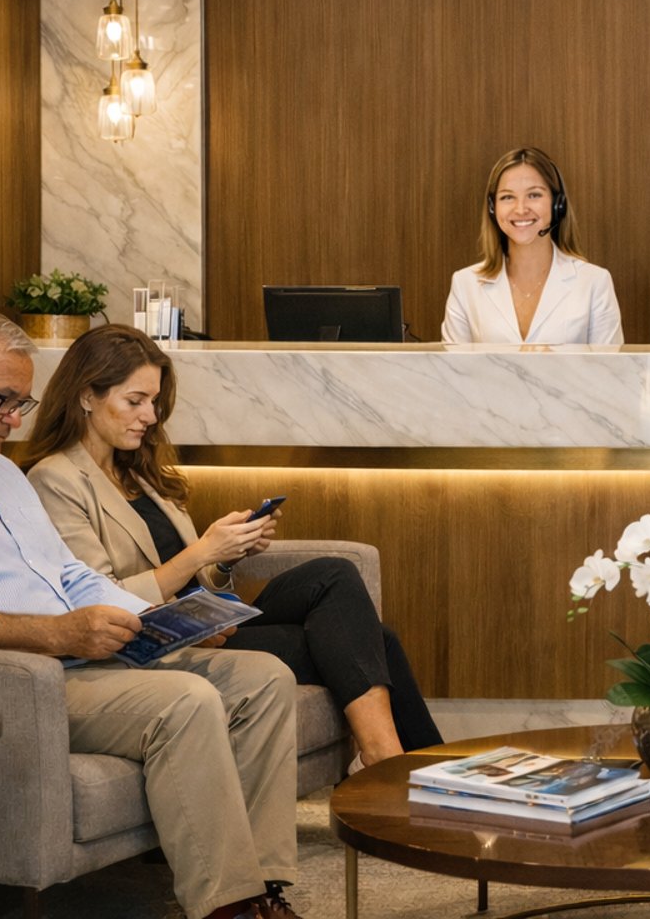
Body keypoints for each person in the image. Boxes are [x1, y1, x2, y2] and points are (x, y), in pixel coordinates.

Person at [0, 311, 299, 919]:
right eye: (4, 400)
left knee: (263, 677)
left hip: (74, 657)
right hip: (7, 680)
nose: (13, 419)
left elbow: (69, 574)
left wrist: (165, 618)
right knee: (185, 702)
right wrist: (54, 633)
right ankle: (227, 908)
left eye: (20, 403)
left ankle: (262, 890)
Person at [25, 323, 442, 770]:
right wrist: (202, 551)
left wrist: (228, 555)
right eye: (135, 401)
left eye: (154, 402)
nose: (150, 416)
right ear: (87, 395)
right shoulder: (56, 479)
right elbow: (101, 601)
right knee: (375, 640)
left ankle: (404, 767)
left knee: (334, 574)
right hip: (160, 640)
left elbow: (198, 579)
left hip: (211, 621)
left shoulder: (140, 474)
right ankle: (398, 765)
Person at [442, 146, 625, 345]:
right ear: (493, 208)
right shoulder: (465, 284)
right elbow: (452, 374)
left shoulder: (594, 283)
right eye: (507, 197)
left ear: (558, 204)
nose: (520, 209)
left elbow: (611, 373)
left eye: (534, 195)